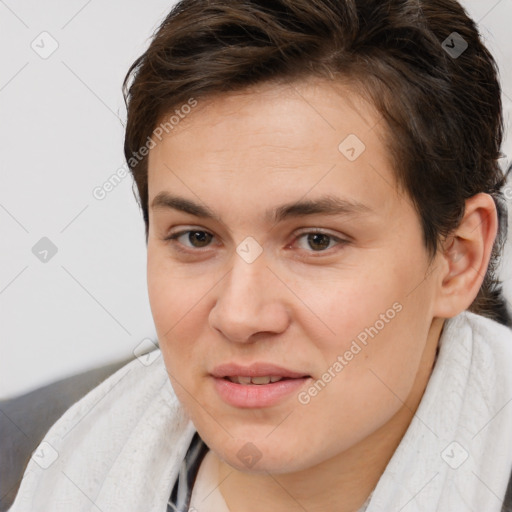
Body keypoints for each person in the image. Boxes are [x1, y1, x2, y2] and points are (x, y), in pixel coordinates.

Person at [7, 0, 512, 511]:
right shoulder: (34, 462)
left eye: (317, 240)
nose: (239, 316)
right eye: (196, 238)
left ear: (457, 258)